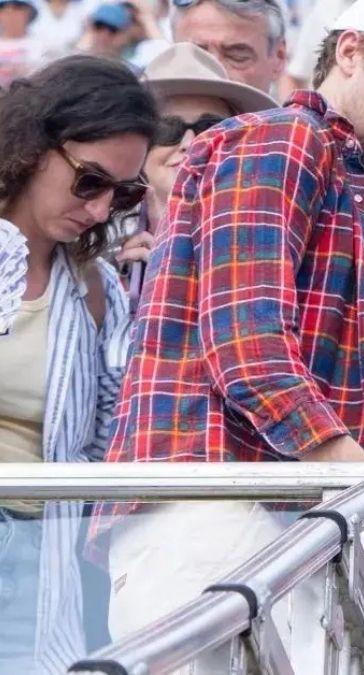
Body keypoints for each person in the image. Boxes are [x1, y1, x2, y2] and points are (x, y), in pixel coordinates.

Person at [100, 0, 364, 663]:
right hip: (209, 517)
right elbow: (248, 351)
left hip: (248, 521)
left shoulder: (321, 163)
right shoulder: (284, 138)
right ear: (348, 52)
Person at [0, 55, 157, 673]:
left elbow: (107, 445)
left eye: (124, 193)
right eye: (89, 180)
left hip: (43, 561)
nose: (99, 210)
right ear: (34, 146)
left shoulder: (97, 290)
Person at [141, 42, 276, 225]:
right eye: (167, 128)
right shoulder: (97, 228)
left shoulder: (266, 227)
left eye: (209, 129)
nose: (190, 144)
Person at [169, 0, 286, 94]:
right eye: (198, 56)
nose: (214, 74)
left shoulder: (297, 123)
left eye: (236, 56)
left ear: (278, 58)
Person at [0, 0, 44, 86]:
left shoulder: (45, 45)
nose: (10, 13)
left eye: (17, 8)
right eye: (3, 9)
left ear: (29, 13)